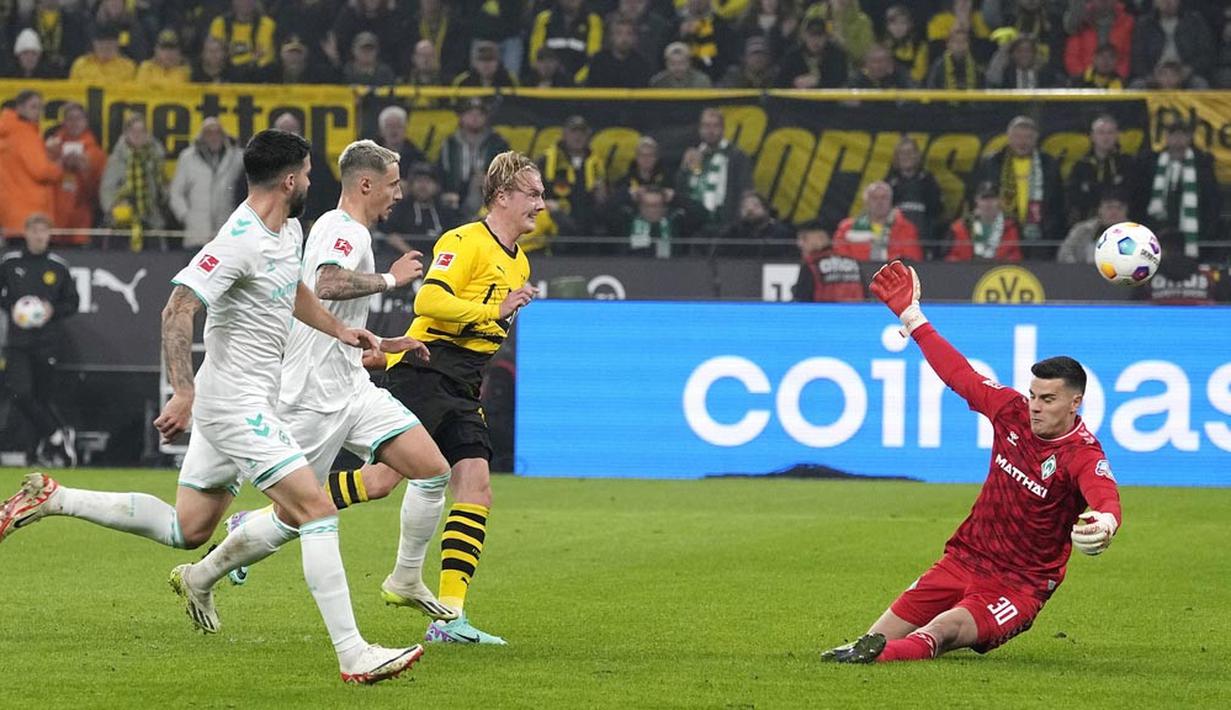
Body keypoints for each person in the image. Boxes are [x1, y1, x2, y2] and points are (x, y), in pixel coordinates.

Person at [0, 130, 424, 685]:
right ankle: (354, 655)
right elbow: (177, 308)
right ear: (289, 180)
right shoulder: (238, 240)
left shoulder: (288, 229)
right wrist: (183, 391)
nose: (311, 181)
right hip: (235, 405)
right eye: (307, 173)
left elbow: (292, 291)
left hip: (245, 398)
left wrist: (340, 330)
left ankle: (56, 498)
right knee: (315, 511)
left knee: (190, 528)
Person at [189, 139, 459, 623]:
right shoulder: (344, 231)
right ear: (366, 184)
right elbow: (328, 282)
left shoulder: (342, 229)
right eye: (393, 184)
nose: (398, 194)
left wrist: (383, 341)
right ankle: (202, 574)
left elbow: (329, 308)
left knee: (432, 469)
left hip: (351, 387)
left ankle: (405, 578)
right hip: (311, 396)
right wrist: (391, 279)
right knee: (296, 517)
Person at [821, 260, 1122, 664]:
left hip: (1019, 584)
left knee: (943, 630)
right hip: (965, 558)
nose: (1035, 406)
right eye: (1033, 395)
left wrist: (1106, 522)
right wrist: (912, 318)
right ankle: (874, 651)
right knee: (872, 637)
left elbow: (1105, 494)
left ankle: (882, 658)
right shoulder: (1011, 411)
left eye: (1048, 399)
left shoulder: (1081, 453)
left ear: (1075, 403)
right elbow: (959, 374)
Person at [323, 150, 543, 646]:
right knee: (381, 482)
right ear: (502, 196)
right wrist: (493, 310)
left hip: (462, 385)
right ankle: (271, 516)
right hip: (425, 371)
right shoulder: (464, 241)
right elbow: (429, 299)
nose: (541, 205)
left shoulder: (520, 260)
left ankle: (449, 618)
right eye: (533, 194)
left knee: (476, 488)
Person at [0, 213, 79, 466]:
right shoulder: (10, 263)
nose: (38, 236)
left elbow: (72, 302)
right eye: (34, 231)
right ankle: (56, 435)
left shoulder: (58, 267)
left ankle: (34, 454)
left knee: (41, 398)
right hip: (18, 342)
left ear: (49, 235)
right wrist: (12, 306)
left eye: (43, 231)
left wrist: (51, 310)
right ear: (26, 233)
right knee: (20, 393)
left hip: (47, 342)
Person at [970, 115, 1063, 259]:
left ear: (1036, 139)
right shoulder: (992, 162)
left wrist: (1050, 226)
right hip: (1001, 233)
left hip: (1039, 234)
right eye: (1018, 137)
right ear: (1008, 137)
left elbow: (1058, 200)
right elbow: (977, 195)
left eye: (1028, 137)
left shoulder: (1048, 164)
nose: (1022, 142)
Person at [1139, 122, 1220, 259]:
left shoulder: (1202, 164)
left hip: (1193, 230)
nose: (1178, 140)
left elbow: (1212, 200)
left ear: (1189, 138)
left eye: (1182, 135)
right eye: (1173, 135)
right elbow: (1141, 196)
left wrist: (1207, 230)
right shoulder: (1151, 162)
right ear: (1166, 137)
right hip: (1158, 227)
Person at [169, 117, 245, 248]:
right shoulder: (188, 157)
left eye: (217, 133)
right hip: (197, 232)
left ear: (223, 135)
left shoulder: (236, 158)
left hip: (226, 231)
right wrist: (186, 217)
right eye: (209, 133)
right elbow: (176, 192)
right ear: (202, 136)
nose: (214, 137)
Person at [675, 108, 752, 235]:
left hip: (726, 225)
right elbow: (681, 190)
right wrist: (684, 168)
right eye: (706, 126)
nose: (710, 131)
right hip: (695, 226)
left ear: (723, 129)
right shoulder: (693, 154)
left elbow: (745, 189)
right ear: (700, 129)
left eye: (715, 126)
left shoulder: (736, 156)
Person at [0, 91, 63, 236]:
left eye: (41, 108)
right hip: (30, 214)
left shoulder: (8, 131)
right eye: (33, 107)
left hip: (10, 211)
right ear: (19, 108)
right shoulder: (24, 134)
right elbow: (41, 171)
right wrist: (57, 165)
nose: (38, 112)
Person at [437, 98, 510, 220]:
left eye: (480, 114)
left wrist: (490, 181)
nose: (475, 118)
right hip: (454, 199)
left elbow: (508, 173)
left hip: (489, 198)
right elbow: (440, 172)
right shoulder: (450, 144)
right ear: (461, 117)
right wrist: (444, 193)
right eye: (470, 114)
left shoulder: (498, 143)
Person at [46, 102, 106, 245]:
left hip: (81, 222)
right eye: (70, 119)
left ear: (86, 122)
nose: (75, 123)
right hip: (53, 221)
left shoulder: (97, 154)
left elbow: (99, 193)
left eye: (79, 118)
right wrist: (58, 164)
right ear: (63, 122)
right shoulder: (51, 149)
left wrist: (85, 170)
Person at [100, 113, 167, 233]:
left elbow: (161, 186)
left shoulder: (155, 157)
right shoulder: (117, 159)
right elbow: (106, 189)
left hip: (152, 218)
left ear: (147, 134)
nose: (137, 135)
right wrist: (113, 208)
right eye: (133, 131)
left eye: (141, 131)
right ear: (126, 133)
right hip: (122, 220)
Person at [1065, 114, 1134, 225]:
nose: (1106, 137)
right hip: (1088, 223)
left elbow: (1133, 194)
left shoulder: (1127, 163)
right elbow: (1072, 197)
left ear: (1117, 135)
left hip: (1121, 223)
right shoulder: (1081, 165)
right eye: (1101, 133)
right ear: (1092, 136)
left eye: (1110, 132)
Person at [1133, 227, 1231, 305]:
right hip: (1200, 321)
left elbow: (1133, 305)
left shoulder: (1148, 278)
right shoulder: (1207, 275)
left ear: (1163, 249)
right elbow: (1223, 303)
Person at [833, 181, 923, 262]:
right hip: (856, 274)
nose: (880, 202)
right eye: (874, 198)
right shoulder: (847, 228)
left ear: (891, 201)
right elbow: (841, 259)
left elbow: (913, 260)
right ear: (866, 202)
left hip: (892, 274)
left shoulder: (906, 228)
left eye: (884, 197)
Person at [885, 136, 943, 258]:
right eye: (902, 153)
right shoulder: (890, 181)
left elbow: (936, 211)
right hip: (896, 236)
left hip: (924, 235)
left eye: (910, 152)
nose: (906, 157)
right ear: (897, 157)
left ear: (917, 156)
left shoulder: (928, 180)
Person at [944, 180, 1023, 262]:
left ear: (999, 200)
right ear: (976, 200)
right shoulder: (959, 227)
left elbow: (1019, 257)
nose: (988, 203)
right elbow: (948, 259)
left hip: (1001, 269)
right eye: (984, 198)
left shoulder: (1013, 227)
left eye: (993, 198)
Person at [791, 221, 864, 302]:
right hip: (857, 310)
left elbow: (801, 301)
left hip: (823, 309)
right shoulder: (853, 263)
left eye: (804, 238)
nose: (800, 243)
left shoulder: (811, 265)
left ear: (821, 238)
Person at [1057, 188, 1128, 265]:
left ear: (1126, 211)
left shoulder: (1135, 233)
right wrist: (1076, 268)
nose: (1114, 212)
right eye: (1109, 207)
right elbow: (1064, 253)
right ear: (1100, 210)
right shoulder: (1082, 230)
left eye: (1119, 208)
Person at [68, 24, 137, 83]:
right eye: (101, 43)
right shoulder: (80, 64)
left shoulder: (128, 67)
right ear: (94, 44)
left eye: (110, 43)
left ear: (117, 44)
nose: (105, 46)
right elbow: (72, 91)